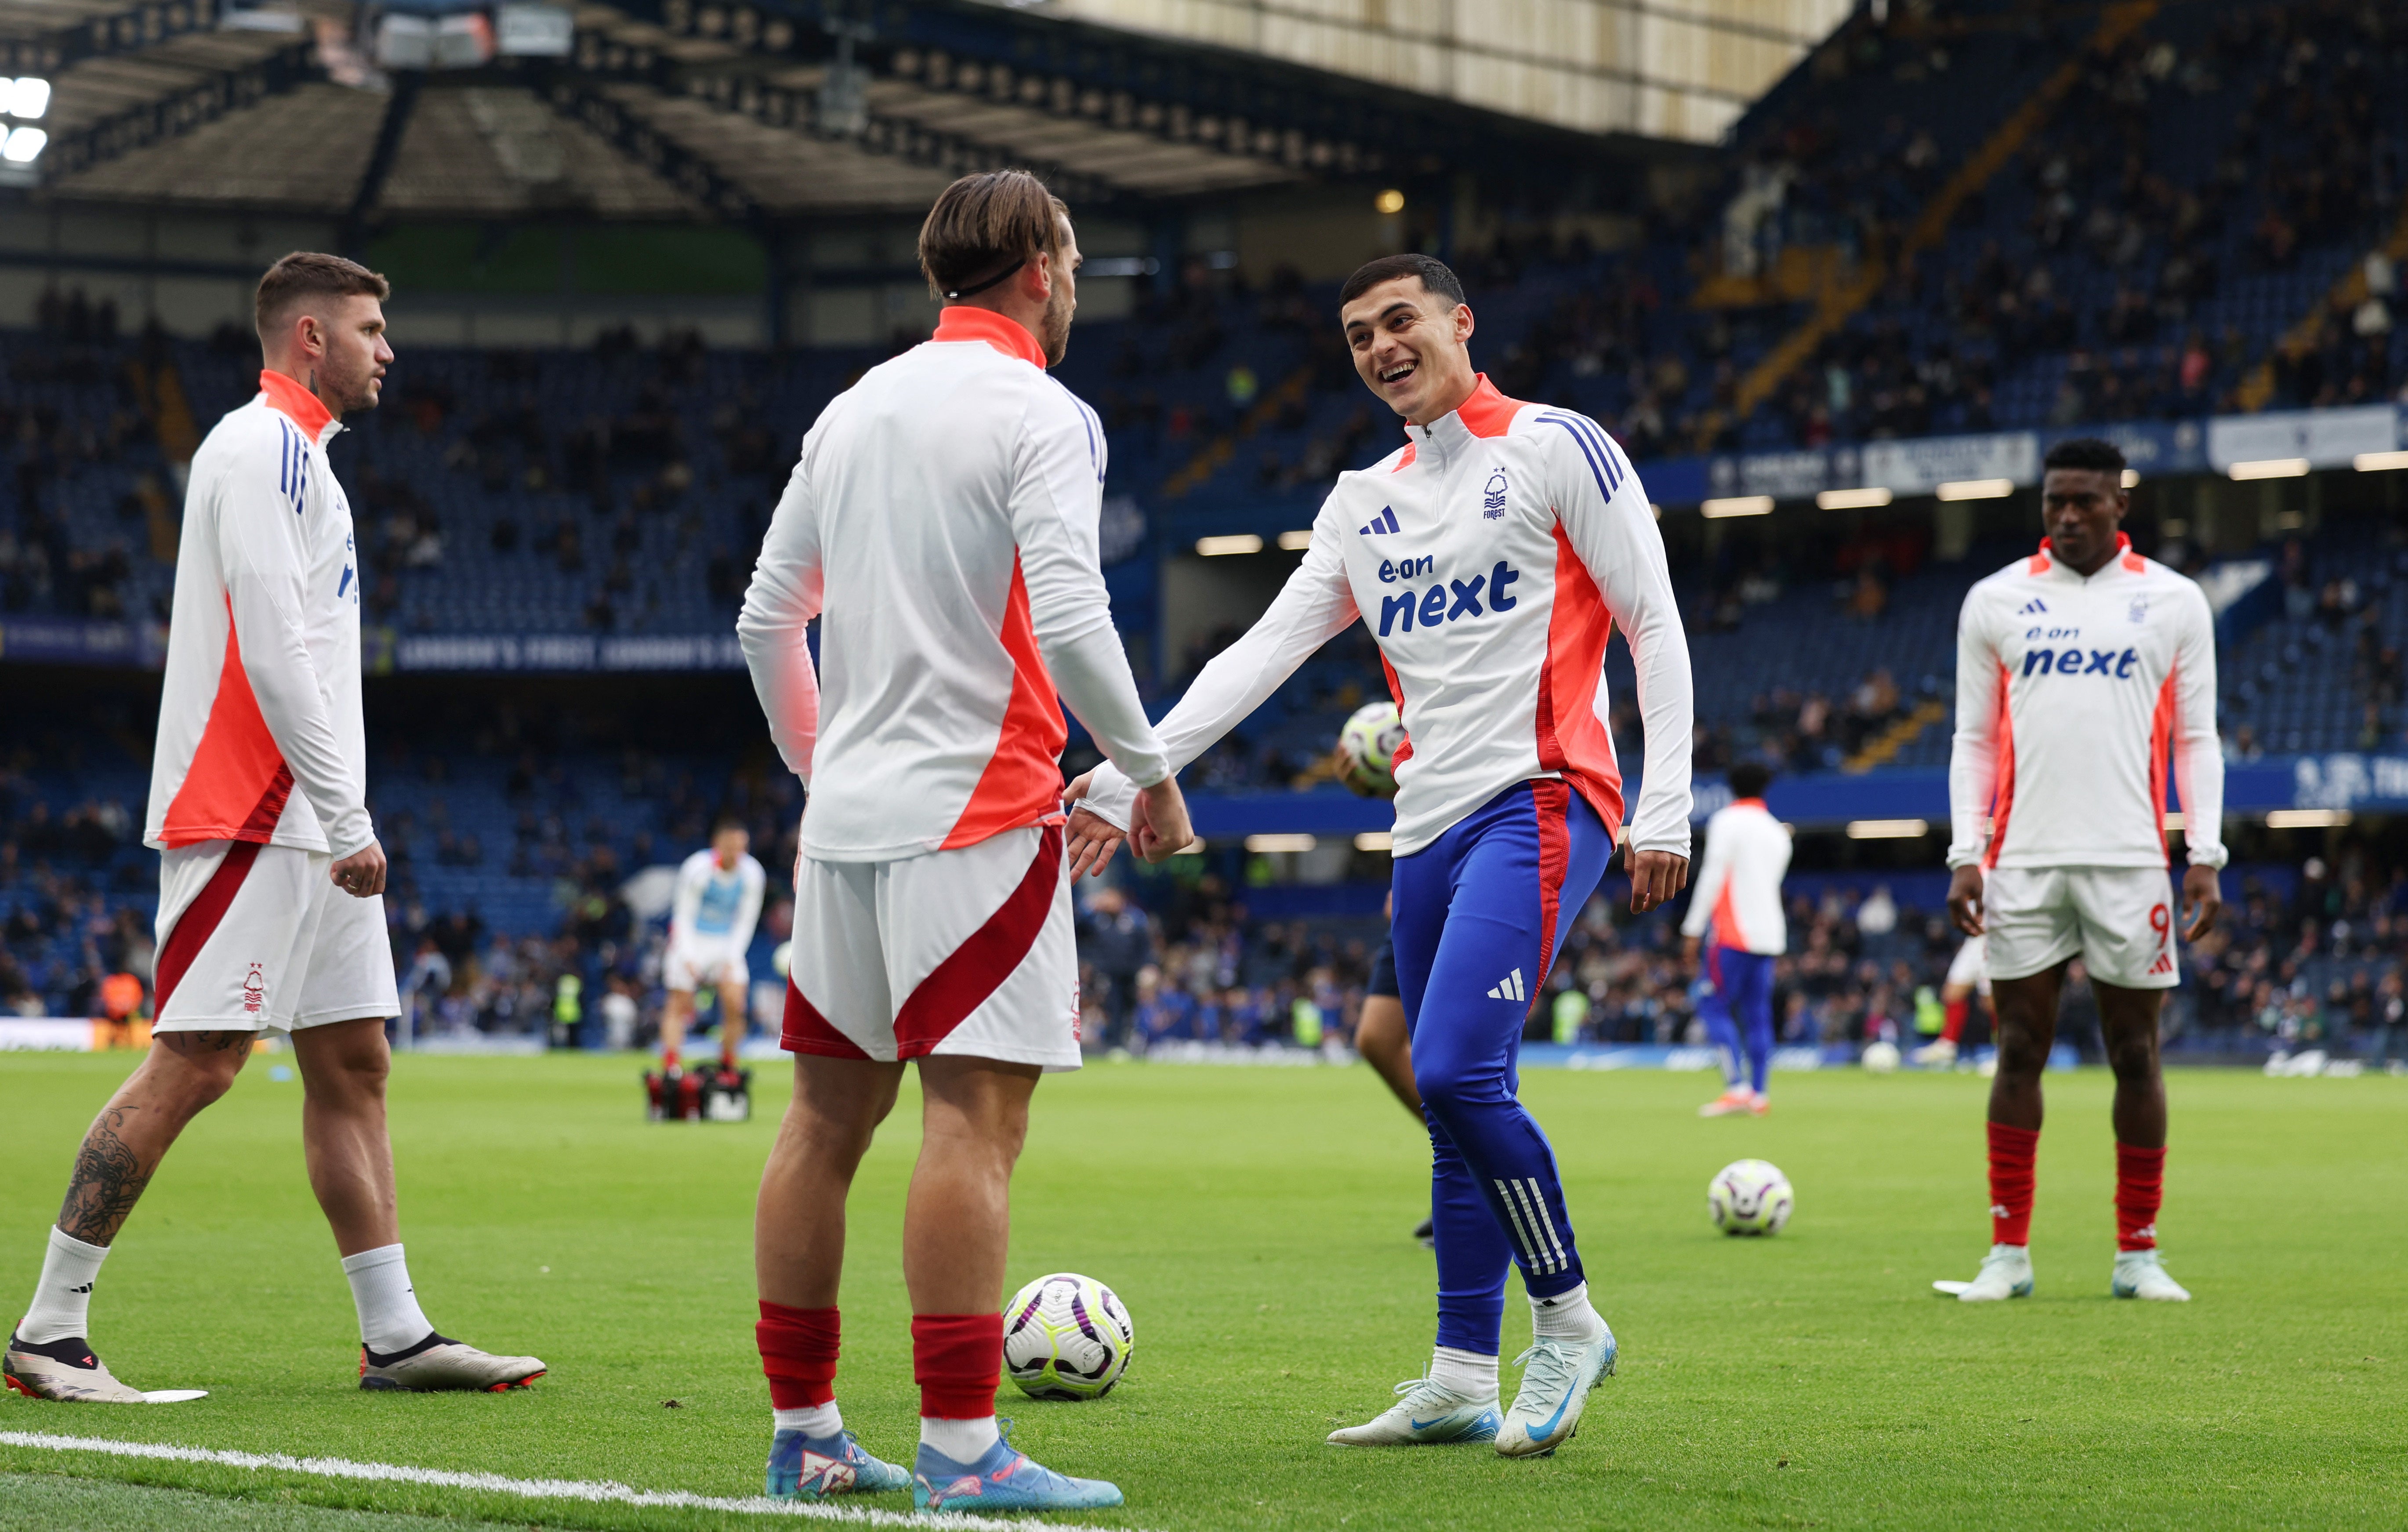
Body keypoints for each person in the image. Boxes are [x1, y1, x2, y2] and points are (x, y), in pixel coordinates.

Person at [1067, 253, 1693, 1458]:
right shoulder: (1363, 499)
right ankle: (1461, 1368)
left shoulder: (1561, 445)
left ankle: (1566, 1319)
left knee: (1457, 1070)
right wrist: (1127, 770)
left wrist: (1664, 805)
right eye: (1357, 334)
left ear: (1462, 323)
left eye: (1400, 320)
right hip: (1422, 823)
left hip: (1547, 795)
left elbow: (1652, 619)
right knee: (1447, 1102)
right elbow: (1258, 654)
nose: (1380, 346)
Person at [5, 253, 542, 1404]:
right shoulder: (260, 450)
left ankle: (395, 1334)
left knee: (354, 1062)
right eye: (370, 325)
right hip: (251, 811)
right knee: (198, 1057)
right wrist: (345, 811)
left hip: (308, 817)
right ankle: (49, 1330)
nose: (387, 347)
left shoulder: (311, 464)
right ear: (310, 335)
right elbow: (269, 644)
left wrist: (340, 809)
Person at [736, 171, 1190, 1510]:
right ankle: (960, 1452)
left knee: (821, 1122)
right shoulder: (1041, 411)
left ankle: (806, 1434)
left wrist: (827, 766)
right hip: (979, 815)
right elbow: (1066, 612)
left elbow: (768, 623)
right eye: (1077, 261)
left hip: (846, 826)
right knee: (973, 1122)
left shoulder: (852, 408)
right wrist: (1147, 770)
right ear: (1042, 270)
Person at [1936, 437, 2223, 1305]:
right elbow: (1973, 740)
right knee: (2015, 1050)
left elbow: (2195, 739)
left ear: (2118, 506)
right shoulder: (1995, 600)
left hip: (2132, 861)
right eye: (2053, 501)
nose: (2065, 516)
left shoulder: (2172, 601)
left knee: (2135, 1053)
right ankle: (2007, 1254)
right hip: (2020, 860)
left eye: (2084, 503)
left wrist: (2203, 853)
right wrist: (1964, 851)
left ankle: (2137, 1253)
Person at [1683, 761, 1789, 1116]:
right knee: (1758, 1014)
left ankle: (1736, 1088)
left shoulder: (1727, 821)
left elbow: (1714, 875)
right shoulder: (1778, 831)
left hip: (1732, 933)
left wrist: (1692, 929)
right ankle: (1760, 1093)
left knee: (1712, 1004)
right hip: (1770, 933)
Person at [660, 814, 767, 1073]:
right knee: (680, 1004)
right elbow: (683, 914)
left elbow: (746, 920)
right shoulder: (697, 868)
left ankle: (728, 1063)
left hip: (725, 943)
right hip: (692, 940)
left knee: (735, 1004)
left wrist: (731, 957)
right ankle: (672, 1064)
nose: (736, 854)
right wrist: (688, 957)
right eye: (731, 847)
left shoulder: (752, 873)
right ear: (718, 844)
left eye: (742, 848)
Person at [1912, 934, 1993, 1067]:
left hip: (1995, 938)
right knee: (1952, 993)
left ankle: (2005, 1052)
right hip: (1975, 939)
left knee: (1991, 1002)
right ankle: (1947, 1046)